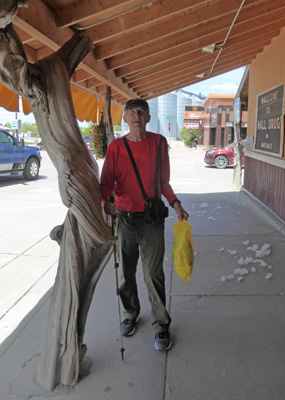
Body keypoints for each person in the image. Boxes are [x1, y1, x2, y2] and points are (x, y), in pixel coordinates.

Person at [100, 98, 189, 351]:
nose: (136, 116)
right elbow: (106, 182)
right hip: (124, 220)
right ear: (125, 118)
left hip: (151, 221)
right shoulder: (116, 147)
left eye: (141, 112)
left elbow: (163, 183)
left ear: (148, 118)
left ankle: (161, 324)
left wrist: (175, 203)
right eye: (131, 112)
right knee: (125, 273)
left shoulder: (159, 143)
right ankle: (131, 313)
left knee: (153, 274)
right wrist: (106, 201)